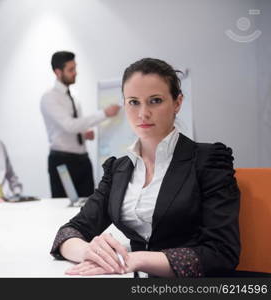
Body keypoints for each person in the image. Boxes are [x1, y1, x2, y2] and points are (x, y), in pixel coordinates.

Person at [50, 58, 240, 277]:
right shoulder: (118, 169)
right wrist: (90, 251)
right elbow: (68, 232)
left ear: (177, 103)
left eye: (155, 100)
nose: (143, 113)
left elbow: (222, 252)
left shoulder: (209, 160)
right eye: (133, 102)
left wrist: (137, 259)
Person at [41, 51, 121, 198]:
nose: (75, 73)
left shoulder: (74, 96)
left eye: (75, 68)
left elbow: (73, 126)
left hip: (83, 160)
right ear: (58, 72)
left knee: (88, 205)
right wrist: (104, 113)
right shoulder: (49, 98)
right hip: (62, 161)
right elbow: (70, 125)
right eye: (71, 70)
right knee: (62, 206)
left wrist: (83, 134)